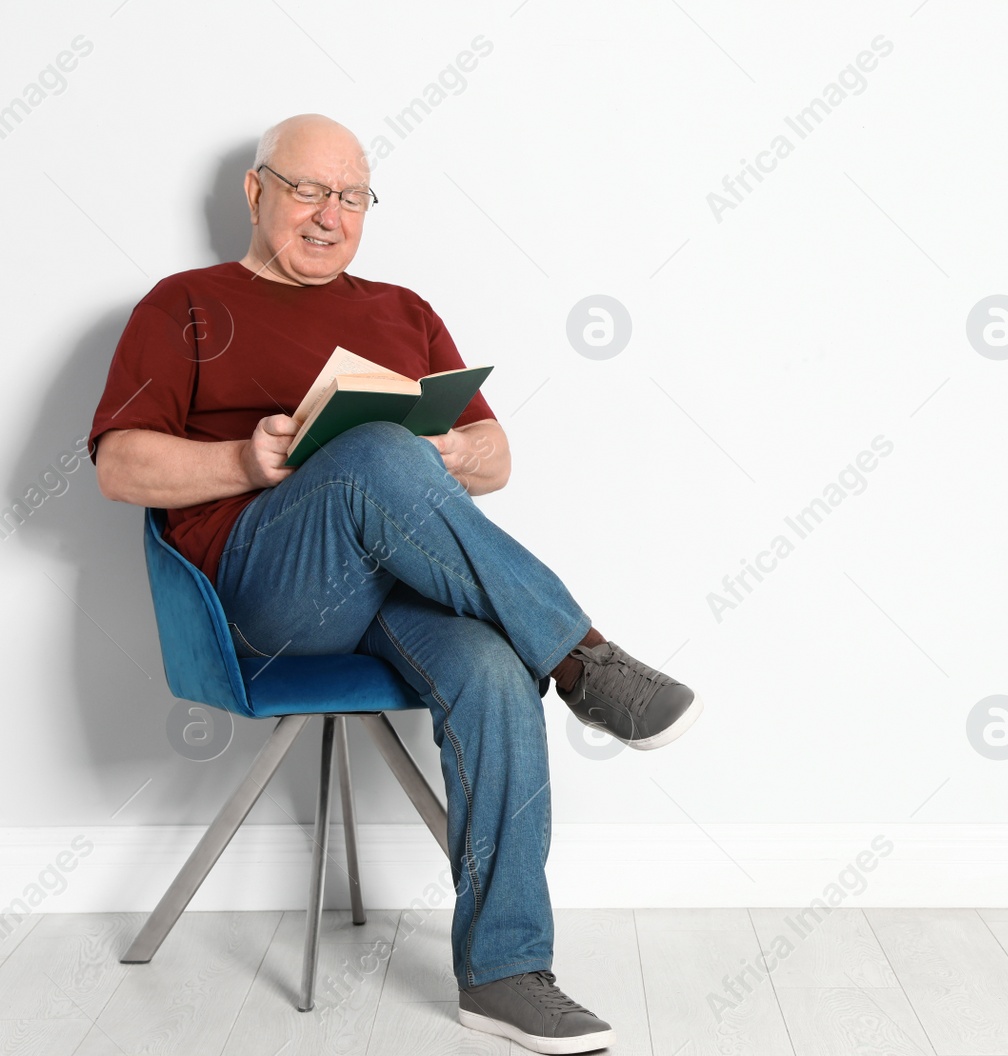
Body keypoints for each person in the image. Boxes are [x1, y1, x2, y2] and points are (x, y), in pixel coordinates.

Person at [88, 113, 698, 1055]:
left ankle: (503, 974)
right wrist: (245, 464)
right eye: (307, 190)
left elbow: (493, 458)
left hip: (394, 586)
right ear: (256, 192)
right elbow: (120, 466)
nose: (330, 215)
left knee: (495, 667)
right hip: (259, 595)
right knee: (376, 450)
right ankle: (581, 659)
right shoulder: (185, 304)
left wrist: (450, 449)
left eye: (352, 196)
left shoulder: (403, 311)